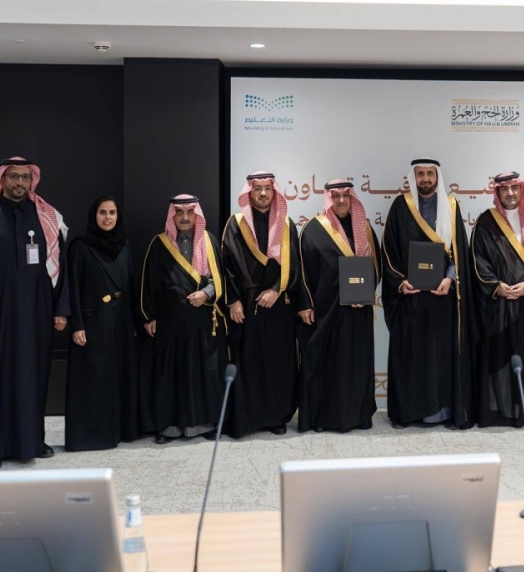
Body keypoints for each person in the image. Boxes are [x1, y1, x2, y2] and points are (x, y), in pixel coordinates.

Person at [0, 156, 69, 470]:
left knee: (33, 378)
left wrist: (61, 309)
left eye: (25, 177)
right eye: (14, 177)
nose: (20, 182)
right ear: (1, 179)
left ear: (33, 180)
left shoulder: (46, 217)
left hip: (37, 314)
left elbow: (61, 267)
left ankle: (32, 442)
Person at [381, 158, 475, 430]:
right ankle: (408, 413)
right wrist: (400, 282)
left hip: (441, 298)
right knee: (410, 356)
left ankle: (442, 412)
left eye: (430, 174)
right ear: (414, 177)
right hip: (410, 299)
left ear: (437, 177)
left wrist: (449, 278)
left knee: (439, 356)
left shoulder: (451, 206)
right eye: (420, 174)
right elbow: (388, 251)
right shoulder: (401, 206)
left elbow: (459, 250)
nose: (425, 179)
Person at [140, 194, 226, 444]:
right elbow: (148, 283)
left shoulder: (209, 241)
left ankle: (205, 424)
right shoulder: (160, 244)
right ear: (173, 215)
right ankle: (169, 427)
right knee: (172, 374)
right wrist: (149, 316)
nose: (185, 217)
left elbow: (220, 278)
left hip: (202, 320)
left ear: (196, 214)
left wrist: (205, 293)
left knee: (203, 372)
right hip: (171, 322)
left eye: (190, 212)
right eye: (180, 212)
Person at [296, 180, 381, 433]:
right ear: (328, 198)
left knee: (357, 364)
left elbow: (376, 267)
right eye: (336, 196)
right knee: (327, 365)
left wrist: (366, 292)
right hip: (325, 311)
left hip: (358, 311)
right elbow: (301, 271)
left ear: (352, 198)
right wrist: (305, 305)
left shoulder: (364, 227)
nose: (342, 200)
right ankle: (323, 418)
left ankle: (360, 415)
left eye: (346, 195)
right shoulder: (313, 228)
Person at [470, 171, 524, 427]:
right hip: (499, 303)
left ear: (521, 190)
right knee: (501, 355)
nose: (510, 193)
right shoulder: (486, 221)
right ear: (497, 193)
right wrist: (498, 287)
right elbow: (479, 259)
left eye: (514, 188)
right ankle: (501, 412)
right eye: (504, 189)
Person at [221, 171, 300, 437]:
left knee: (277, 362)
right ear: (249, 193)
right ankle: (248, 419)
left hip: (278, 307)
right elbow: (226, 265)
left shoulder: (287, 224)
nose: (263, 193)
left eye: (267, 188)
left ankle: (276, 417)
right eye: (258, 189)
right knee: (249, 363)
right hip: (245, 306)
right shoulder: (236, 224)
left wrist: (276, 290)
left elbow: (295, 264)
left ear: (274, 191)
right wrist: (233, 300)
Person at [65, 196, 140, 450]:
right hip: (93, 324)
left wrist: (134, 321)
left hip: (121, 324)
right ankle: (92, 436)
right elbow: (73, 288)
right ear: (93, 216)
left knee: (119, 377)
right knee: (95, 381)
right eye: (102, 212)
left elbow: (130, 283)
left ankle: (121, 431)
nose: (108, 217)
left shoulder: (124, 244)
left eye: (112, 213)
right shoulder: (80, 246)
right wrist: (77, 324)